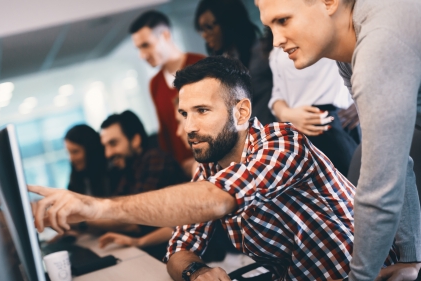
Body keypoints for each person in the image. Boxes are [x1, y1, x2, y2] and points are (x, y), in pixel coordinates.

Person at [29, 57, 399, 280]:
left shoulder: (281, 141)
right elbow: (179, 250)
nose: (189, 127)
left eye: (202, 112)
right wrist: (197, 272)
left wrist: (98, 208)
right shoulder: (206, 173)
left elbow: (218, 200)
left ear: (240, 112)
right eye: (184, 114)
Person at [256, 0, 421, 280]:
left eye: (283, 21)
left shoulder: (378, 44)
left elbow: (381, 186)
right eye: (270, 26)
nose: (276, 41)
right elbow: (395, 161)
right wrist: (410, 259)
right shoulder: (348, 55)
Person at [268, 29, 358, 175]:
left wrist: (362, 100)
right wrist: (287, 114)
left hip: (338, 122)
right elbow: (277, 93)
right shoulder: (277, 47)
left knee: (357, 186)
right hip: (299, 129)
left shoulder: (325, 31)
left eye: (282, 20)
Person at [100, 110, 188, 259]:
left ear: (135, 140)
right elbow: (115, 209)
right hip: (159, 250)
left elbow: (135, 219)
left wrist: (79, 220)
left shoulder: (156, 160)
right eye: (105, 146)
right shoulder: (129, 168)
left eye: (113, 143)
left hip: (175, 253)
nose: (107, 154)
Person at [130, 11, 205, 177]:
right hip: (182, 173)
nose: (142, 55)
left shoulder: (201, 65)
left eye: (146, 45)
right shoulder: (155, 84)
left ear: (165, 35)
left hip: (211, 162)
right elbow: (165, 134)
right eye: (138, 48)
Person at [194, 0, 275, 125]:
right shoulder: (222, 59)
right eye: (202, 30)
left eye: (209, 27)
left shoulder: (262, 53)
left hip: (268, 132)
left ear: (229, 22)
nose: (205, 35)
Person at [64, 124, 108, 196]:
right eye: (69, 153)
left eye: (75, 151)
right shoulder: (75, 178)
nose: (71, 159)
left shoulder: (111, 174)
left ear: (91, 149)